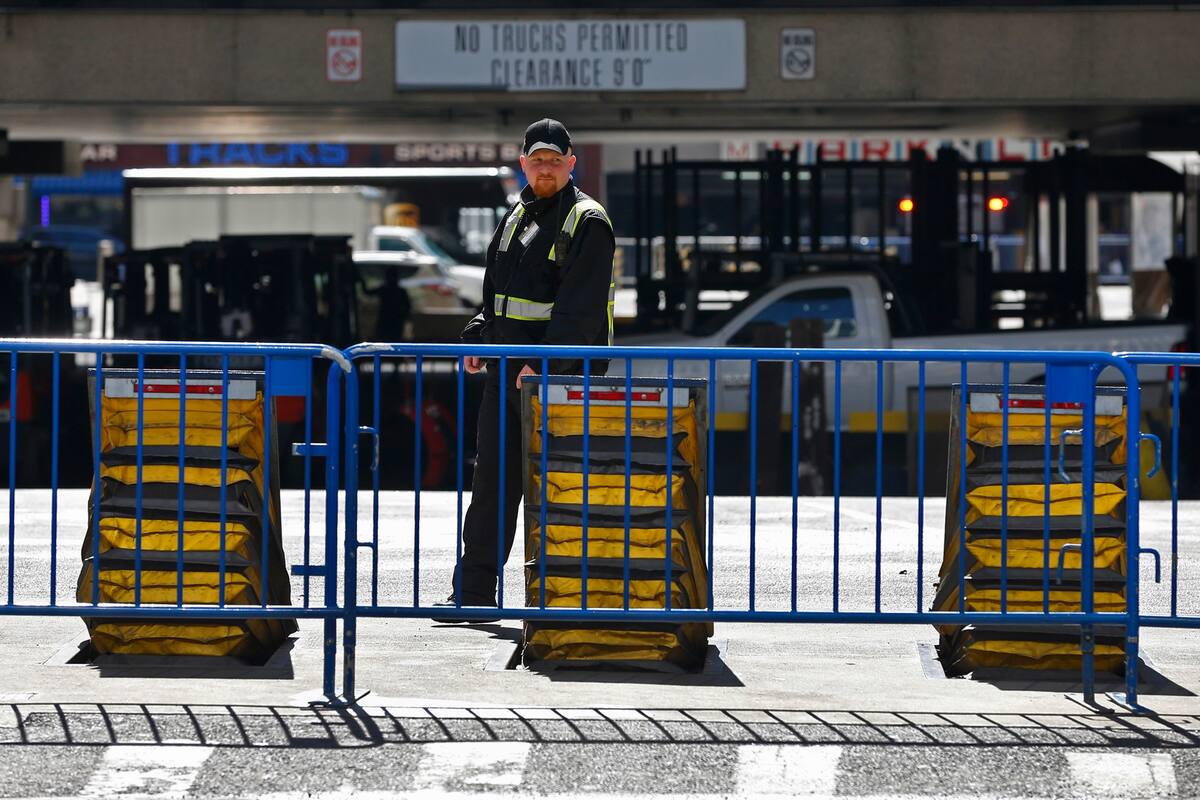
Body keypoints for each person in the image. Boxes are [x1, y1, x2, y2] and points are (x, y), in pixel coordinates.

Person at [436, 118, 616, 619]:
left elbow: (578, 311)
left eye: (555, 161)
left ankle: (565, 602)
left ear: (571, 165)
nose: (546, 169)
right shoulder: (519, 215)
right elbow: (499, 295)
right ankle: (472, 596)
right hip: (509, 371)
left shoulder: (587, 221)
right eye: (537, 160)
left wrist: (547, 364)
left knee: (561, 489)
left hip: (559, 378)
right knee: (492, 482)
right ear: (523, 164)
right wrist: (479, 335)